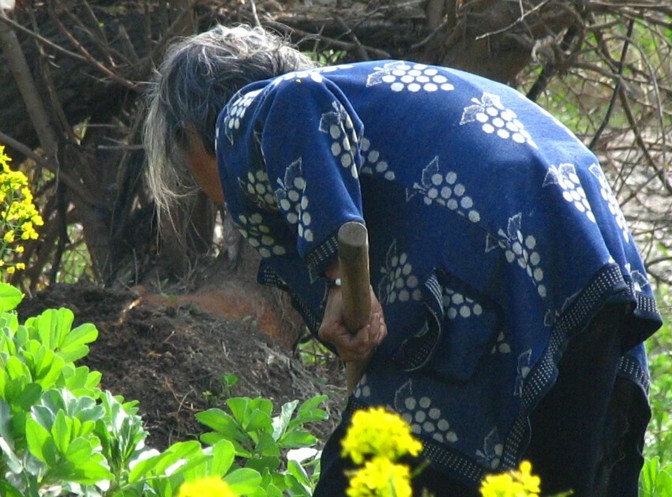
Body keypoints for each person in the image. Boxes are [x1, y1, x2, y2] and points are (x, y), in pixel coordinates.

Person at [143, 24, 662, 497]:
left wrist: (338, 280)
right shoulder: (376, 102)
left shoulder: (252, 108)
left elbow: (295, 102)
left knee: (362, 476)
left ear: (191, 132)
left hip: (500, 264)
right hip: (596, 265)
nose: (216, 202)